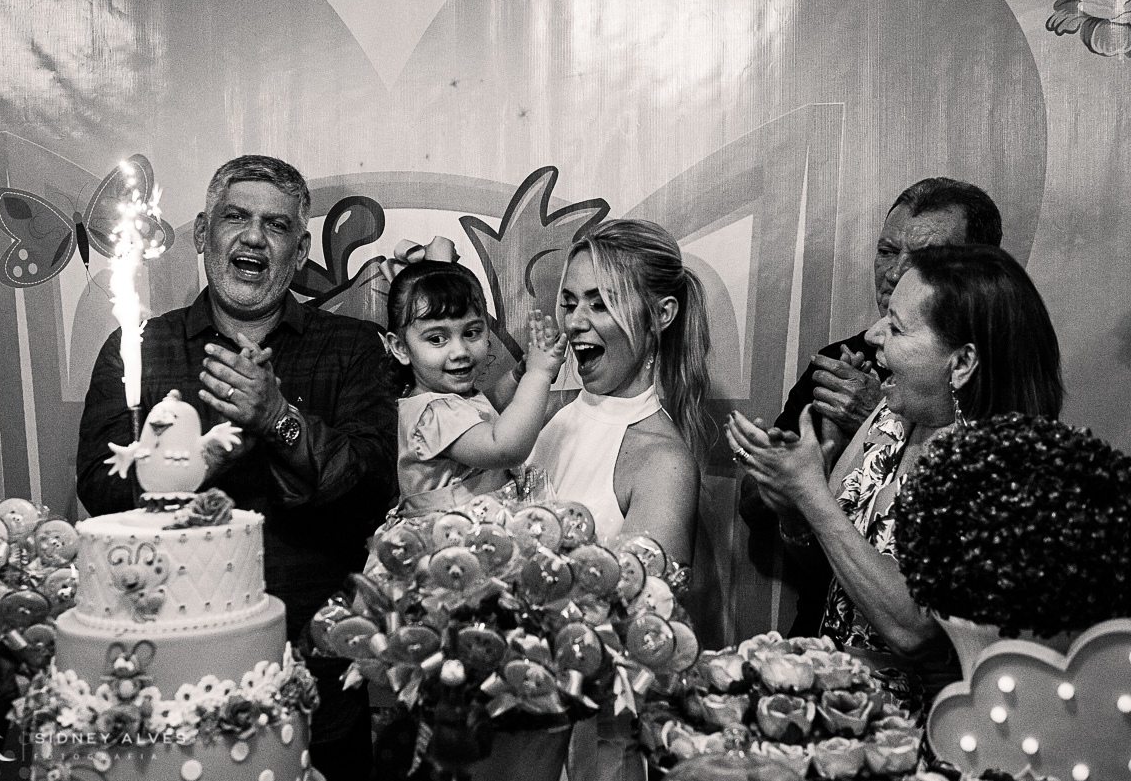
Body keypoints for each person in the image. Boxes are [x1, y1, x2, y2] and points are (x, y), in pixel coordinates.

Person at [76, 155, 397, 780]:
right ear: (202, 233)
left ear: (298, 248)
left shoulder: (351, 348)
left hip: (313, 664)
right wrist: (201, 459)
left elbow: (369, 489)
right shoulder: (140, 349)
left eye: (276, 227)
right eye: (236, 218)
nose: (254, 237)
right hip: (161, 663)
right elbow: (99, 486)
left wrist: (278, 416)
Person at [726, 243, 1062, 712]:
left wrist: (812, 497)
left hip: (931, 729)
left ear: (961, 363)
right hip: (841, 709)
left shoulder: (1005, 464)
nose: (875, 333)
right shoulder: (890, 414)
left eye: (898, 327)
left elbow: (914, 632)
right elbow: (831, 573)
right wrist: (793, 507)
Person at [746, 177, 1003, 637]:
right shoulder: (844, 365)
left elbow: (917, 632)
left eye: (924, 260)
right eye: (886, 251)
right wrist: (796, 493)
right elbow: (815, 556)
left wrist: (861, 423)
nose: (896, 273)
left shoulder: (1000, 430)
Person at [526, 218, 714, 781]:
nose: (576, 322)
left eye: (600, 303)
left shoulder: (663, 462)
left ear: (661, 316)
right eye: (569, 302)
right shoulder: (556, 416)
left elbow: (641, 642)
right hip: (524, 722)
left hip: (592, 746)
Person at [382, 255, 567, 512]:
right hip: (450, 541)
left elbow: (483, 407)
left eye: (471, 333)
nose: (460, 351)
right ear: (400, 348)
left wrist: (518, 377)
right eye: (436, 339)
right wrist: (538, 375)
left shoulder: (447, 400)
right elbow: (506, 449)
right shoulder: (433, 414)